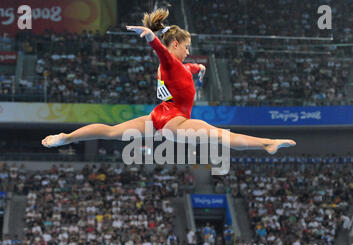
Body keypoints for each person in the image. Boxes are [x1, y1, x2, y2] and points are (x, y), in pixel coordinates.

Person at [42, 8, 296, 155]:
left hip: (158, 117)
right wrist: (151, 38)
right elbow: (164, 55)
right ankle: (267, 143)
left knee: (111, 131)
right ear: (175, 44)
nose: (188, 52)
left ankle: (67, 137)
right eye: (186, 47)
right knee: (219, 136)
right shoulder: (169, 61)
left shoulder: (179, 67)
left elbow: (187, 68)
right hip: (175, 120)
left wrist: (200, 68)